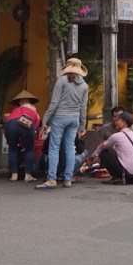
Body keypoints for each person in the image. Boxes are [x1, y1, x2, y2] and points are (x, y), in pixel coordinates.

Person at [35, 57, 89, 190]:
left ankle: (52, 179)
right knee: (70, 149)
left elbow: (54, 103)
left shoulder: (62, 80)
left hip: (59, 118)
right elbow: (84, 107)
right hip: (74, 119)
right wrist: (82, 125)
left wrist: (45, 119)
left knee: (54, 148)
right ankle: (68, 179)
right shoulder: (84, 86)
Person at [80, 111, 133, 184]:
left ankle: (117, 177)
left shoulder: (116, 136)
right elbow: (117, 149)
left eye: (118, 120)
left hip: (126, 172)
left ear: (124, 123)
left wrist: (91, 158)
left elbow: (101, 147)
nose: (115, 122)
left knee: (103, 152)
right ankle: (123, 176)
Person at [3, 89, 41, 182]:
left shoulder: (14, 111)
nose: (24, 102)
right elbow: (34, 128)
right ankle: (28, 175)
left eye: (25, 101)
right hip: (26, 124)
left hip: (10, 125)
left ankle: (14, 175)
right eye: (22, 100)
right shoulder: (34, 112)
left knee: (12, 149)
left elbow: (7, 125)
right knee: (29, 149)